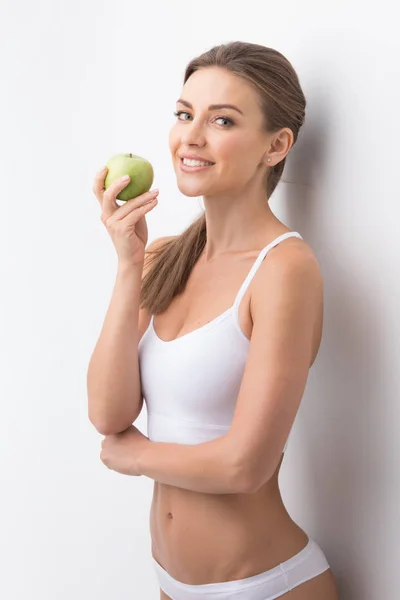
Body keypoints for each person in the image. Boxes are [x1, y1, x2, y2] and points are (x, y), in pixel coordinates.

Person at [89, 41, 339, 600]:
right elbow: (108, 412)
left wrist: (135, 456)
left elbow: (243, 466)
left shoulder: (284, 268)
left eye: (221, 120)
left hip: (265, 585)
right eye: (184, 115)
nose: (191, 137)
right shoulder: (164, 258)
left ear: (276, 146)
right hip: (172, 584)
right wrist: (129, 265)